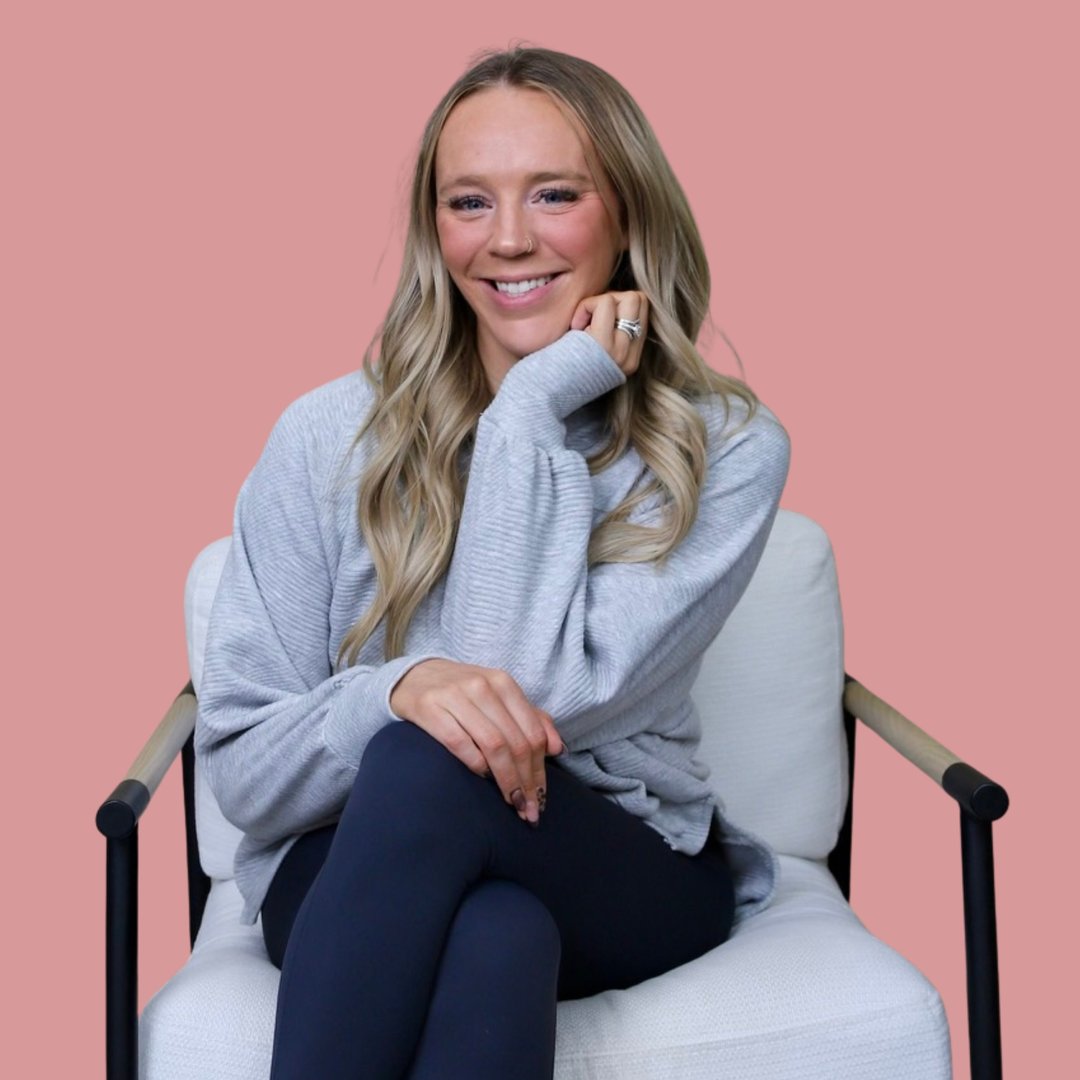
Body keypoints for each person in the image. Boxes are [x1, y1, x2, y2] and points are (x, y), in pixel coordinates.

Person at [195, 45, 790, 1080]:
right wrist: (394, 692)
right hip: (353, 859)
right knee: (492, 931)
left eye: (555, 193)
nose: (508, 238)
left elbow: (524, 692)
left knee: (428, 761)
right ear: (436, 229)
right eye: (469, 201)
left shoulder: (722, 449)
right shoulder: (326, 437)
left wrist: (528, 409)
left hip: (620, 862)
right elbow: (245, 774)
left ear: (628, 212)